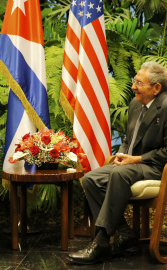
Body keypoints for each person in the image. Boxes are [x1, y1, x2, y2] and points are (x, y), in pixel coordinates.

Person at [68, 61, 167, 264]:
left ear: (156, 88)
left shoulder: (165, 106)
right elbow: (128, 140)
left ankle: (102, 241)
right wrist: (121, 155)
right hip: (132, 165)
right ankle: (123, 232)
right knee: (91, 179)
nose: (133, 86)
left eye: (139, 82)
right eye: (134, 81)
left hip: (157, 167)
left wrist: (136, 159)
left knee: (118, 174)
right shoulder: (135, 104)